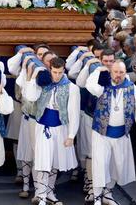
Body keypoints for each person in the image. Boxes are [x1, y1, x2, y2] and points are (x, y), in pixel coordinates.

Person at [86, 59, 136, 205]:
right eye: (115, 72)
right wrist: (98, 70)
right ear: (110, 72)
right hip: (101, 133)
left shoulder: (133, 90)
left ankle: (108, 193)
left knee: (117, 165)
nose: (118, 75)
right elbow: (89, 85)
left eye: (121, 72)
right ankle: (97, 197)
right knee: (100, 164)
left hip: (121, 134)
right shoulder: (102, 87)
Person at [22, 57, 79, 205]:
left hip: (60, 128)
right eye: (54, 72)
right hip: (42, 126)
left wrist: (71, 135)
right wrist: (34, 77)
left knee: (54, 162)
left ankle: (49, 192)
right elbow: (30, 96)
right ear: (50, 70)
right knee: (42, 161)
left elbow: (73, 113)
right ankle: (40, 194)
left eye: (60, 72)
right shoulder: (43, 82)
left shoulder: (72, 88)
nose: (57, 75)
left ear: (64, 70)